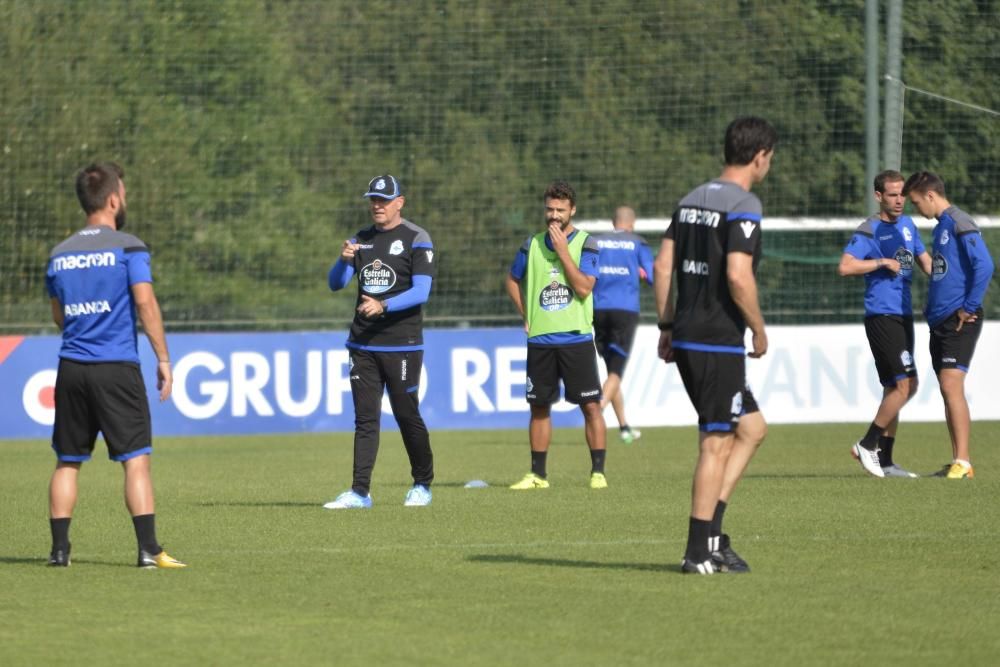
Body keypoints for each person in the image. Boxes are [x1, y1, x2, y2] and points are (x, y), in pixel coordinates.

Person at [44, 162, 184, 568]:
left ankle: (59, 551)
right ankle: (147, 549)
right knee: (135, 459)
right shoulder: (129, 246)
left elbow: (58, 315)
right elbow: (144, 302)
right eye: (122, 193)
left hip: (71, 366)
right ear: (112, 199)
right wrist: (162, 357)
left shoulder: (59, 253)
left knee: (67, 460)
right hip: (116, 367)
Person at [654, 117, 776, 574]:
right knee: (715, 442)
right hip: (718, 341)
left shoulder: (689, 201)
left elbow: (663, 265)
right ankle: (696, 552)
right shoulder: (745, 203)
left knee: (752, 428)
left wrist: (667, 323)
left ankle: (714, 535)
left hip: (687, 334)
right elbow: (738, 275)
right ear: (760, 156)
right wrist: (758, 328)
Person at [324, 175, 436, 508]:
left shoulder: (417, 239)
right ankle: (359, 492)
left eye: (383, 200)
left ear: (399, 202)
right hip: (362, 345)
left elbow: (421, 291)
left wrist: (383, 304)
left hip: (402, 344)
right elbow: (336, 283)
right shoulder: (360, 239)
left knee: (405, 414)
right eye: (373, 199)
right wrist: (343, 260)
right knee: (365, 419)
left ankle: (422, 484)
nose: (377, 206)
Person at [505, 181, 608, 490]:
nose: (553, 215)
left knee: (590, 406)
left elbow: (584, 287)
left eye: (560, 210)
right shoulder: (531, 244)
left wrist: (563, 252)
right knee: (539, 407)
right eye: (549, 209)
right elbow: (512, 279)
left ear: (572, 211)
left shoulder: (587, 244)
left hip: (576, 339)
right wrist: (526, 315)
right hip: (540, 341)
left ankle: (598, 473)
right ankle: (538, 475)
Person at [839, 170, 931, 478]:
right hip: (882, 315)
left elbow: (925, 261)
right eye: (893, 194)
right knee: (902, 385)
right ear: (879, 196)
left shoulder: (907, 225)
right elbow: (846, 266)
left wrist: (951, 284)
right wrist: (881, 262)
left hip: (904, 315)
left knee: (904, 386)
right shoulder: (870, 229)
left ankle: (887, 461)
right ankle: (867, 444)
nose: (900, 200)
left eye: (902, 194)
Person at [903, 171, 994, 479]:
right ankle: (959, 461)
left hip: (960, 318)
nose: (917, 210)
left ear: (930, 196)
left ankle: (964, 462)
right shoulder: (942, 226)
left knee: (951, 384)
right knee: (946, 389)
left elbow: (985, 264)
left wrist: (969, 306)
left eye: (916, 203)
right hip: (941, 319)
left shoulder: (959, 222)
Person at [592, 206, 654, 444]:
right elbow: (652, 275)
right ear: (632, 223)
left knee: (611, 371)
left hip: (598, 309)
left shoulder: (596, 241)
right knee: (617, 372)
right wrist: (640, 272)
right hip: (624, 310)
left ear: (613, 222)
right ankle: (597, 410)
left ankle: (624, 427)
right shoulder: (637, 242)